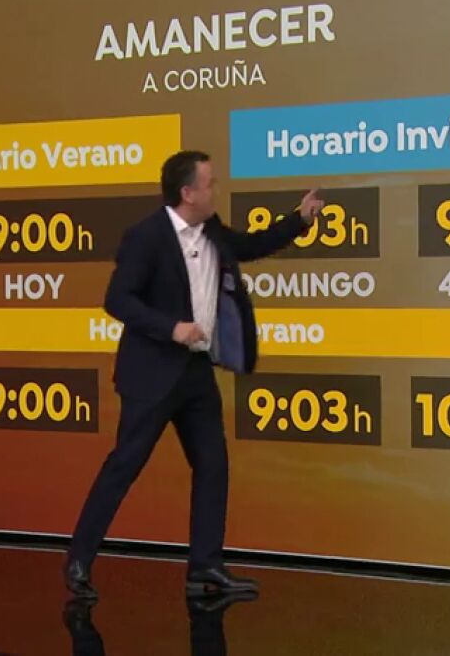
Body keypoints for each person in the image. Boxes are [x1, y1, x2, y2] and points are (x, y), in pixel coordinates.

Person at [64, 150, 323, 599]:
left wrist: (299, 220)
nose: (215, 190)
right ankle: (79, 560)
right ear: (188, 192)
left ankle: (205, 567)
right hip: (151, 375)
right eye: (210, 183)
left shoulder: (213, 230)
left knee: (212, 465)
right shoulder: (146, 237)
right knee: (124, 466)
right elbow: (118, 300)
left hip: (196, 373)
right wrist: (172, 328)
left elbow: (250, 246)